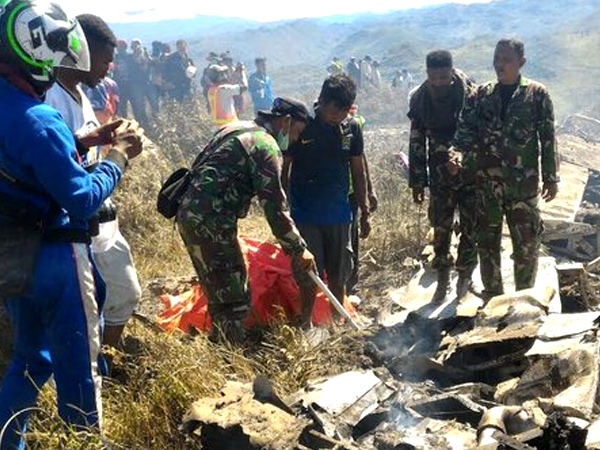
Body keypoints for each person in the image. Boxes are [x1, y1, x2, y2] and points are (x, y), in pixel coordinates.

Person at [0, 2, 144, 449]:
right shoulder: (39, 118)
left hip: (14, 254)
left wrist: (85, 140)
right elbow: (80, 198)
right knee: (80, 369)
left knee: (30, 358)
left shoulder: (10, 103)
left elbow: (26, 161)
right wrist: (117, 157)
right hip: (57, 255)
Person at [176, 97, 316, 344]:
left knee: (220, 293)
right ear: (286, 121)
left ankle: (221, 349)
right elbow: (274, 207)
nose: (294, 140)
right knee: (234, 299)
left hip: (192, 216)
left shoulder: (236, 128)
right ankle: (230, 360)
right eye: (296, 132)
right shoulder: (266, 145)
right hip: (212, 223)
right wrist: (298, 248)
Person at [45, 13, 142, 352]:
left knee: (123, 291)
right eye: (105, 60)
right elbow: (57, 164)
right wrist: (118, 155)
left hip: (97, 216)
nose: (109, 69)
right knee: (101, 299)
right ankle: (99, 363)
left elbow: (76, 147)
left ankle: (105, 357)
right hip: (72, 221)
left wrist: (105, 139)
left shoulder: (78, 95)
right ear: (81, 52)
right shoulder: (50, 97)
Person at [449, 38, 559, 299]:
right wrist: (456, 155)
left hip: (523, 185)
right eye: (497, 58)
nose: (500, 64)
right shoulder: (481, 95)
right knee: (487, 244)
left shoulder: (537, 95)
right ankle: (494, 296)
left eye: (506, 59)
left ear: (521, 62)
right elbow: (464, 134)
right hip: (488, 185)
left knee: (527, 245)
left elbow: (548, 138)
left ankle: (525, 299)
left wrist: (551, 178)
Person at [282, 74, 372, 321]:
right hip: (305, 214)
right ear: (321, 100)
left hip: (340, 214)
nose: (337, 118)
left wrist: (364, 210)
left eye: (342, 113)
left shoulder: (351, 128)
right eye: (333, 112)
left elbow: (358, 170)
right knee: (309, 274)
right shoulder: (302, 125)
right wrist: (282, 210)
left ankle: (337, 322)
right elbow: (285, 167)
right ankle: (306, 325)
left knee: (339, 273)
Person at [408, 50, 478, 302]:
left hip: (470, 172)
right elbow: (416, 140)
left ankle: (465, 275)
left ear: (452, 72)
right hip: (439, 175)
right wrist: (417, 180)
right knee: (440, 227)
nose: (439, 82)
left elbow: (481, 131)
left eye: (443, 77)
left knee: (471, 226)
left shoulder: (471, 94)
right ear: (427, 74)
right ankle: (443, 277)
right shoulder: (420, 100)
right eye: (434, 77)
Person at [346, 105, 378, 295]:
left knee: (352, 241)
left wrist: (369, 191)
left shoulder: (353, 126)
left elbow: (361, 164)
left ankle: (351, 286)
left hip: (351, 194)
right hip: (333, 196)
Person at [207, 64, 246, 129]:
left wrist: (235, 73)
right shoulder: (224, 89)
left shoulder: (211, 90)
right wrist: (242, 72)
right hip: (231, 125)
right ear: (218, 76)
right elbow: (244, 87)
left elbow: (229, 85)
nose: (224, 76)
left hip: (217, 126)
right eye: (222, 74)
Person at [113, 39, 132, 117]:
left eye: (120, 47)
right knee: (122, 104)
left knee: (136, 104)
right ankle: (125, 119)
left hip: (130, 84)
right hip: (120, 84)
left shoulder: (130, 57)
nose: (119, 49)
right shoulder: (115, 58)